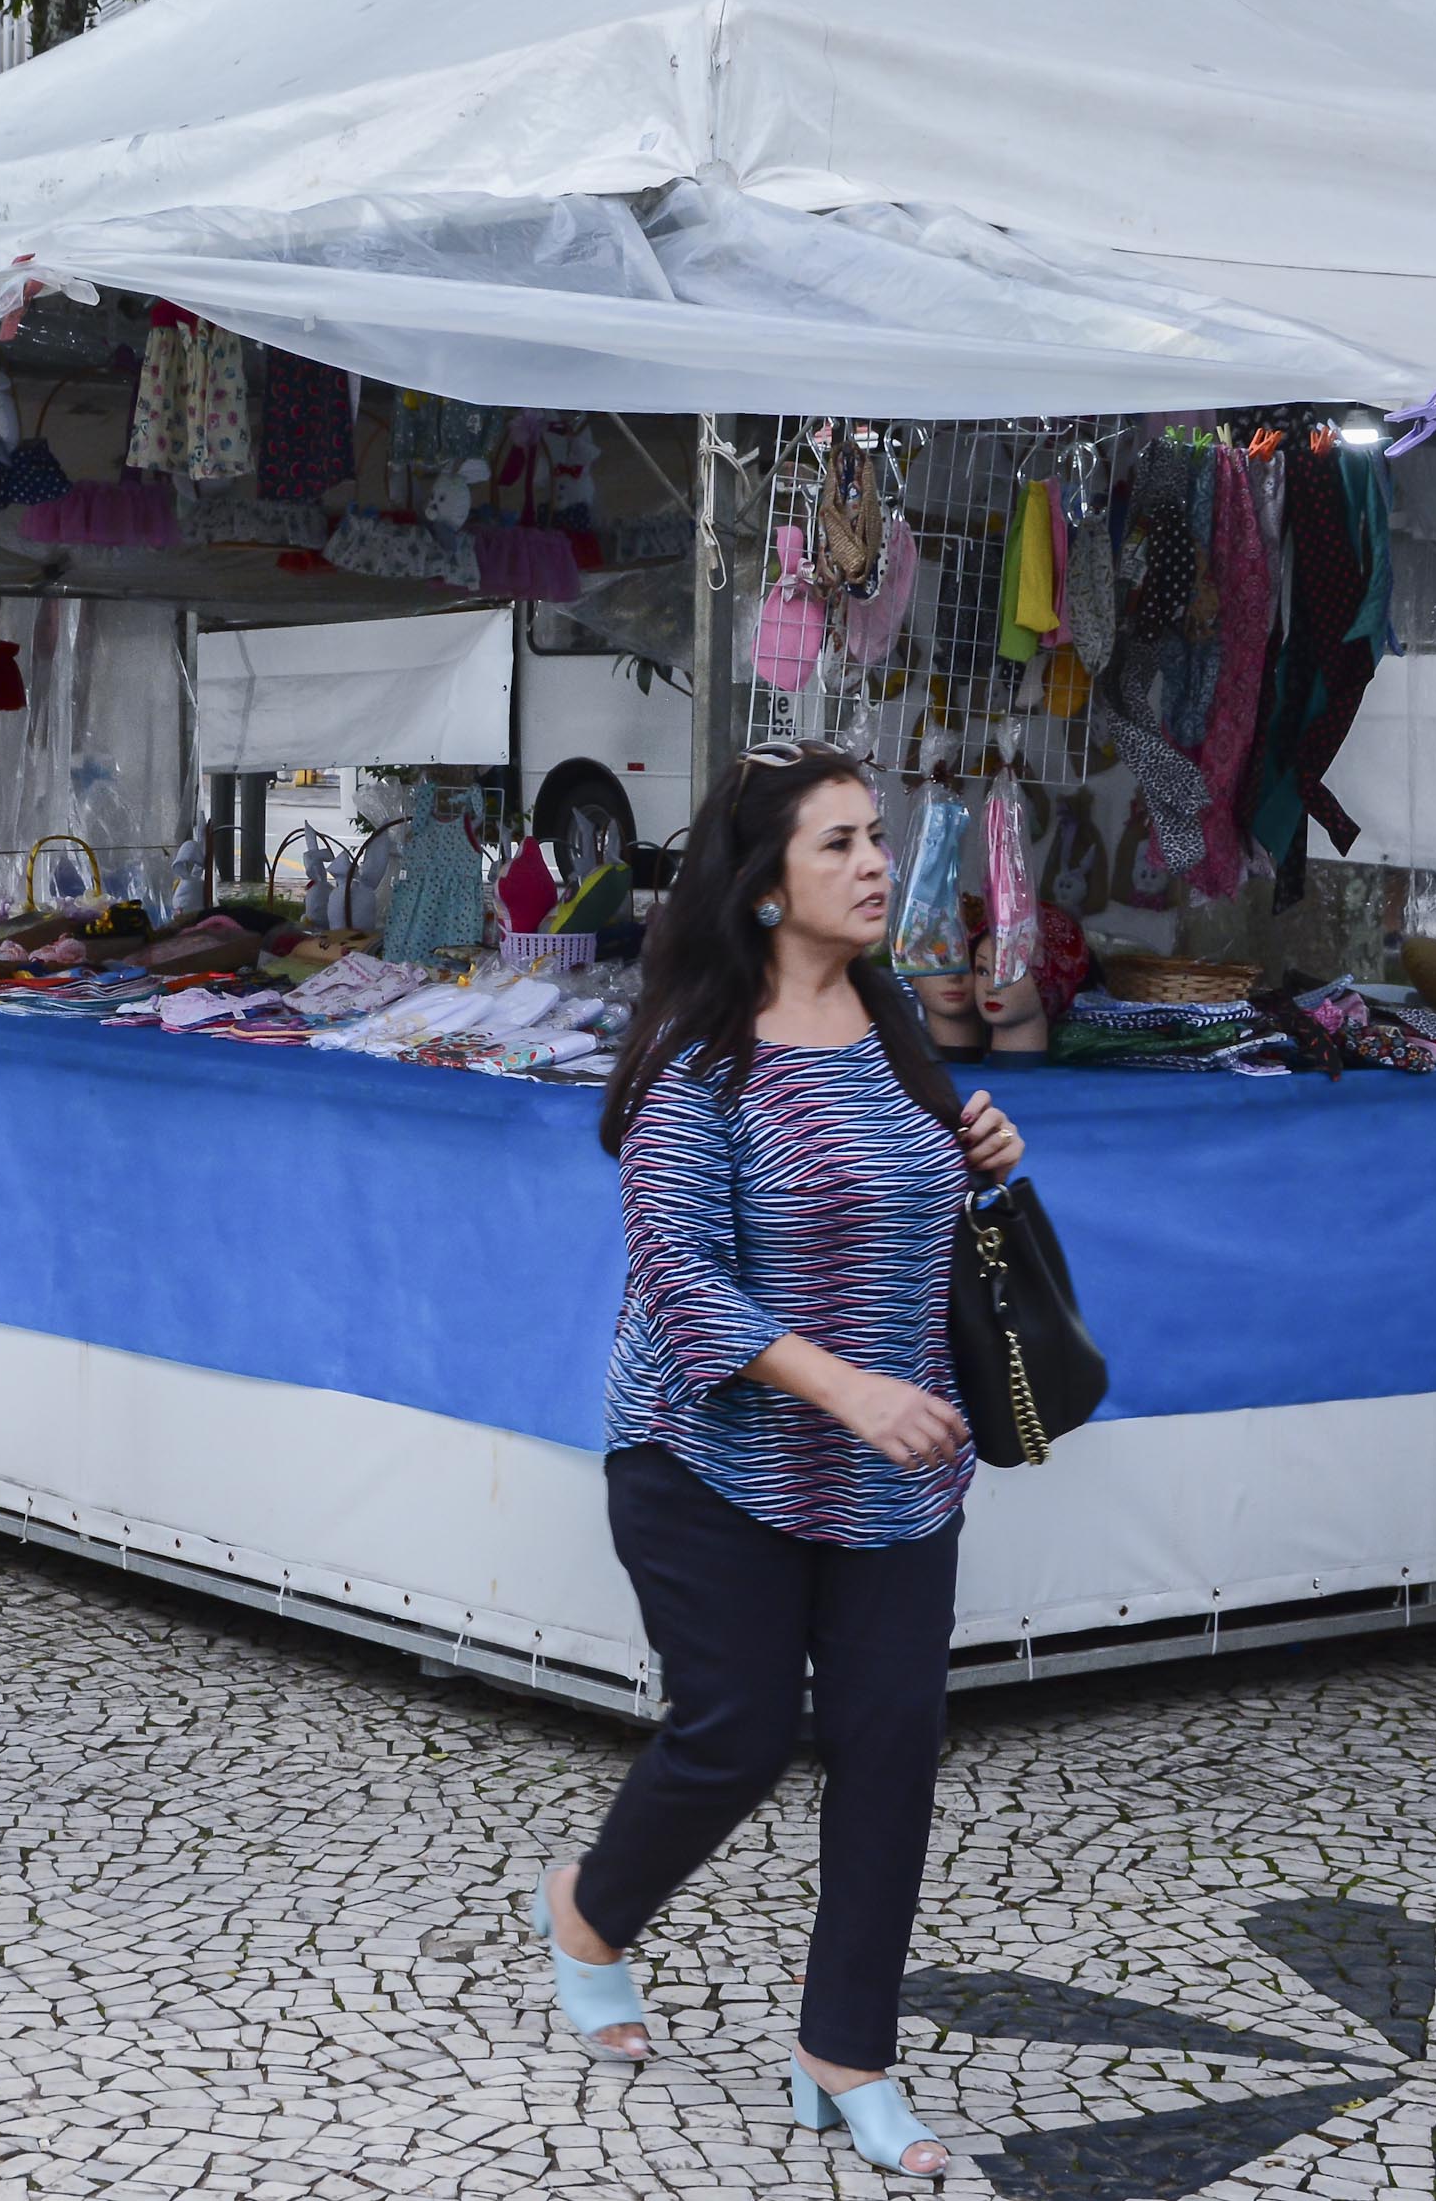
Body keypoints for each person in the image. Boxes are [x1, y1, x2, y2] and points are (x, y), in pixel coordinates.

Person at [531, 740, 1023, 2181]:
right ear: (762, 888)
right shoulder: (703, 1059)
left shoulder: (898, 1028)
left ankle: (846, 2052)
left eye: (876, 837)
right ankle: (587, 1911)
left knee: (892, 1748)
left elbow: (918, 1208)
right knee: (738, 1728)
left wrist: (985, 1147)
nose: (876, 864)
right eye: (839, 845)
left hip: (894, 1467)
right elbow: (680, 1281)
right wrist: (851, 1389)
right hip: (706, 1455)